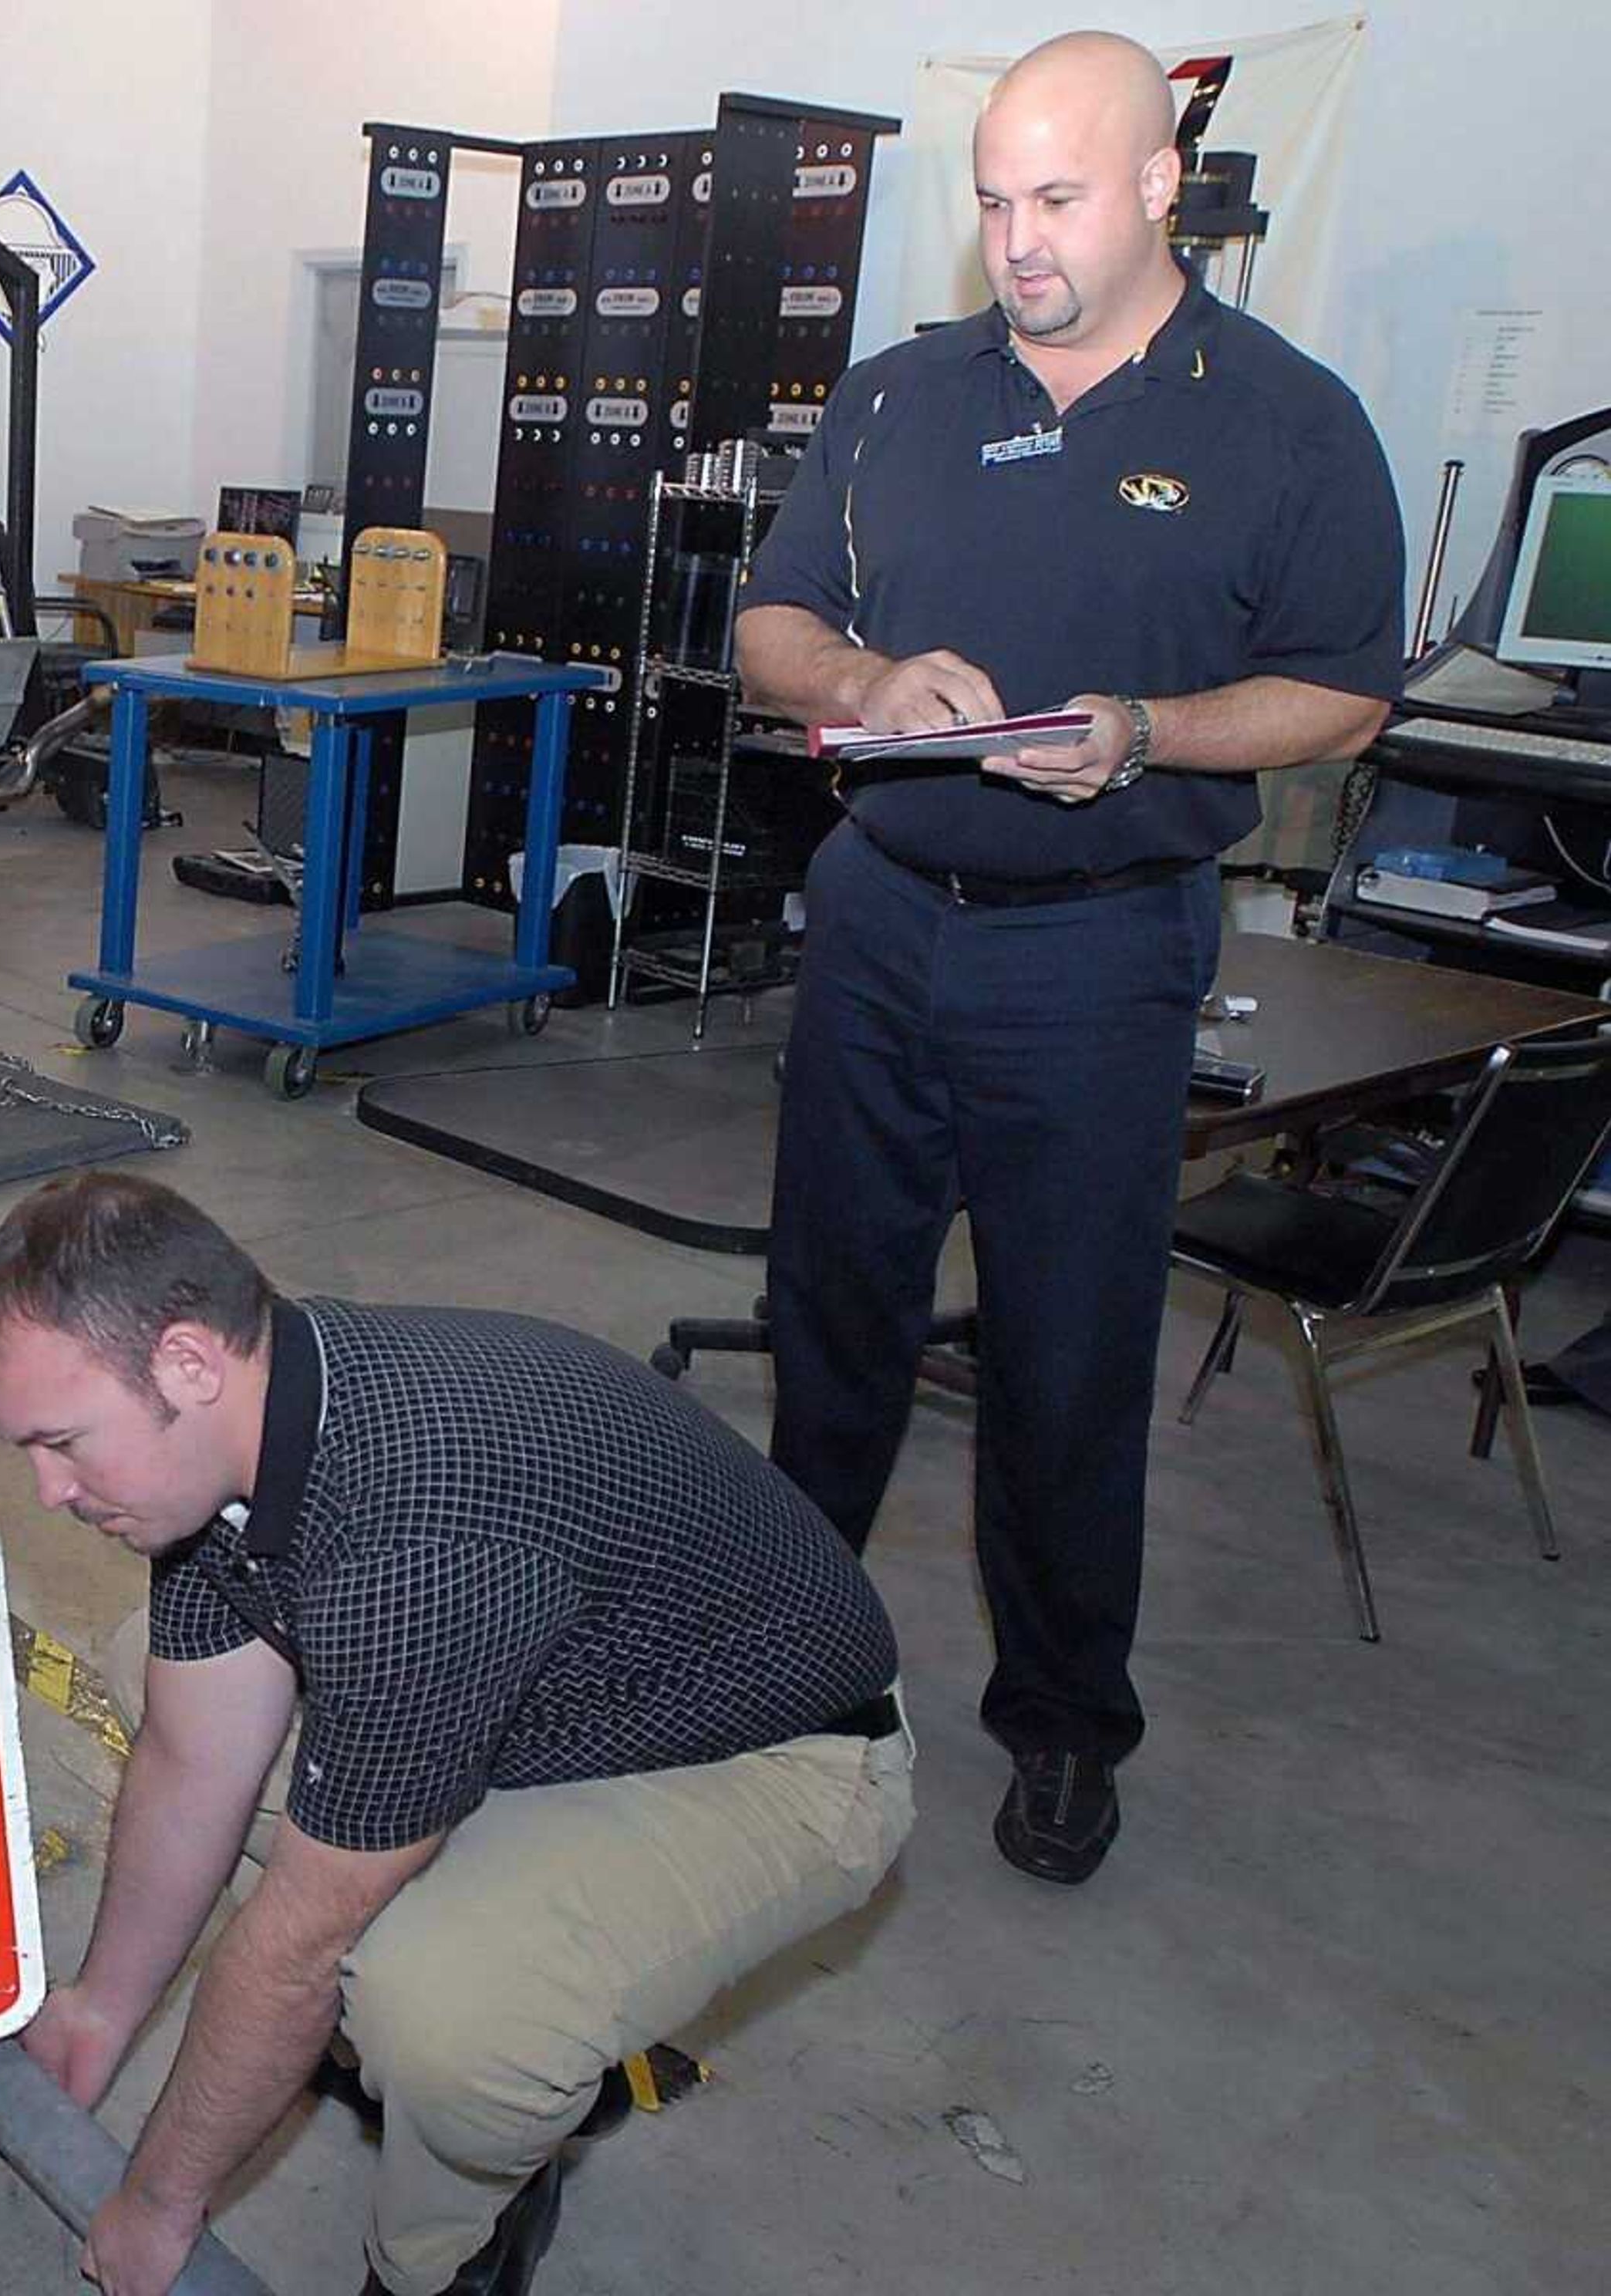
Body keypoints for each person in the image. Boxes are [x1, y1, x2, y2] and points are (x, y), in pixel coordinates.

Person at [734, 29, 1405, 1886]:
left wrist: (1149, 731)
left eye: (1058, 199)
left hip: (1097, 954)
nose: (1019, 241)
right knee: (835, 1316)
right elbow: (773, 620)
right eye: (993, 202)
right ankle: (788, 1660)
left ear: (1158, 184)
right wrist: (861, 677)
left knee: (1067, 1356)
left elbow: (1347, 692)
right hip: (880, 919)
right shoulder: (900, 396)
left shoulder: (1282, 417)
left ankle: (1058, 1721)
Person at [0, 1172, 915, 2296]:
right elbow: (190, 1758)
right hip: (576, 1698)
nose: (49, 1489)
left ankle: (456, 2241)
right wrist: (97, 2012)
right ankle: (508, 2004)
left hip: (786, 1759)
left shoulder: (416, 1542)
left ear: (188, 1362)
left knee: (440, 2014)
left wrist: (162, 2199)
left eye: (63, 1441)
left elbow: (294, 1946)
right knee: (152, 1674)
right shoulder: (253, 1428)